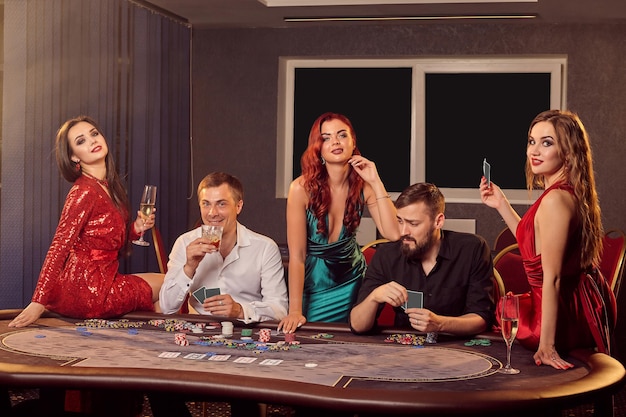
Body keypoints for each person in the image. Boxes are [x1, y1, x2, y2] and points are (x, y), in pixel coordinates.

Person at [479, 109, 616, 370]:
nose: (534, 151)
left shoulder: (555, 200)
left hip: (561, 316)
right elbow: (535, 247)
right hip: (572, 304)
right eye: (532, 141)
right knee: (507, 309)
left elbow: (551, 277)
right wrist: (501, 204)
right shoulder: (561, 192)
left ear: (568, 151)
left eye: (547, 143)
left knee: (505, 312)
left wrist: (547, 345)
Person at [8, 116, 163, 329]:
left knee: (166, 288)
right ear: (73, 157)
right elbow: (59, 246)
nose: (91, 141)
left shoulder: (106, 187)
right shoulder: (83, 191)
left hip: (98, 281)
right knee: (169, 283)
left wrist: (136, 228)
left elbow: (105, 239)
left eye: (94, 133)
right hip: (89, 289)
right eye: (81, 141)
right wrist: (38, 301)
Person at [278, 112, 401, 333]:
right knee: (311, 344)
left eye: (342, 135)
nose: (335, 141)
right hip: (315, 283)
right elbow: (296, 256)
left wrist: (376, 179)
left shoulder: (364, 185)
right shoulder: (300, 188)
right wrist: (295, 310)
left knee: (349, 348)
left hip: (354, 280)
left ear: (353, 142)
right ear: (318, 148)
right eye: (326, 137)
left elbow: (393, 233)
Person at [350, 182, 495, 336]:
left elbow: (481, 318)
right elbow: (358, 325)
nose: (403, 231)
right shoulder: (386, 254)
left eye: (413, 223)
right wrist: (374, 297)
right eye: (400, 221)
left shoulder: (472, 249)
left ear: (438, 221)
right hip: (404, 349)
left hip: (457, 347)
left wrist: (440, 324)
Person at [159, 171, 288, 322]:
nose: (212, 213)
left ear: (238, 206)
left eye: (221, 204)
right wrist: (189, 267)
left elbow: (280, 310)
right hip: (201, 333)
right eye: (206, 204)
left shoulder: (265, 248)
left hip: (248, 333)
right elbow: (167, 307)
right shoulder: (184, 243)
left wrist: (240, 310)